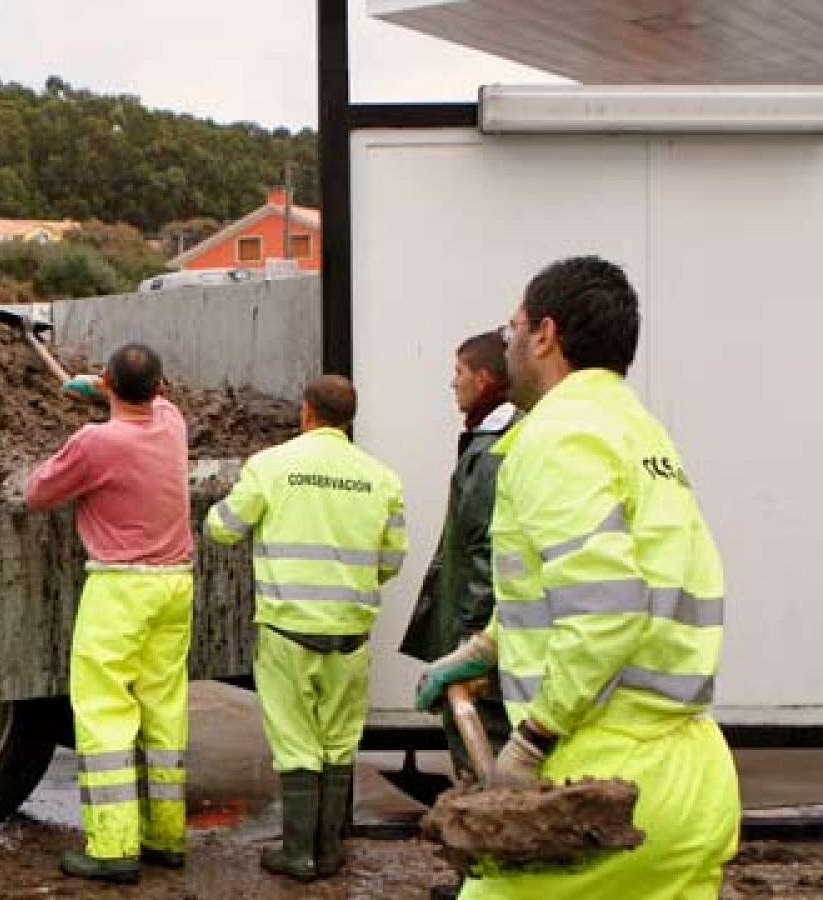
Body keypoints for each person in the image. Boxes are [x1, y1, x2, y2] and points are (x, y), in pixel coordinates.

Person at [415, 256, 738, 899]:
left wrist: (531, 742)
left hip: (597, 789)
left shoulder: (558, 438)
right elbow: (585, 588)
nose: (506, 341)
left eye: (513, 327)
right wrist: (485, 648)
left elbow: (606, 615)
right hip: (691, 779)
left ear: (546, 334)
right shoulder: (638, 432)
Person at [206, 374, 406, 882]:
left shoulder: (271, 466)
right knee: (339, 740)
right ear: (349, 418)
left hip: (288, 630)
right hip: (351, 632)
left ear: (306, 412)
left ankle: (298, 854)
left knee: (296, 740)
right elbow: (391, 561)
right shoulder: (382, 478)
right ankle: (330, 850)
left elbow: (225, 528)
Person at [25, 344, 193, 885]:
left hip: (121, 590)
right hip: (175, 586)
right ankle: (165, 837)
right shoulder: (172, 424)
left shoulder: (95, 443)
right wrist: (98, 387)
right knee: (163, 710)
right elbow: (151, 399)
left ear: (107, 381)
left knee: (104, 713)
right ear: (159, 387)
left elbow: (37, 493)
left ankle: (114, 847)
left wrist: (91, 395)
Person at [401, 330, 518, 784]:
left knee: (483, 755)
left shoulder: (493, 454)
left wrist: (472, 640)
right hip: (477, 633)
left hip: (481, 640)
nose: (454, 383)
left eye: (460, 372)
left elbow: (488, 553)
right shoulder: (486, 444)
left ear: (484, 378)